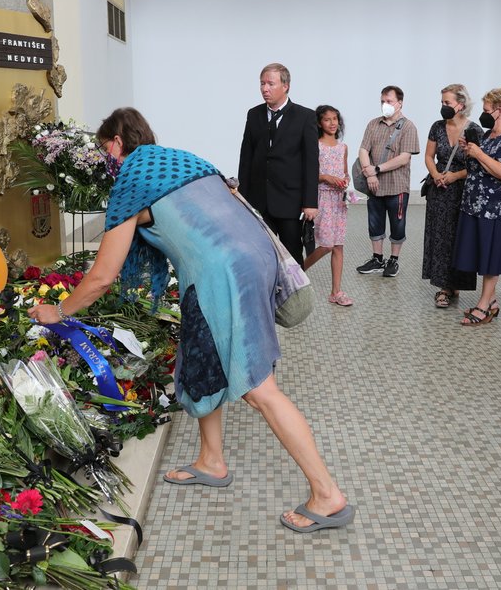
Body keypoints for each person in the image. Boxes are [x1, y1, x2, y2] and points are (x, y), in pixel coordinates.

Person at [29, 108, 353, 533]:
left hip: (225, 273)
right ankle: (211, 460)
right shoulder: (184, 160)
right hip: (253, 258)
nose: (106, 160)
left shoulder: (133, 178)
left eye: (104, 150)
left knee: (260, 391)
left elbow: (103, 276)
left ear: (116, 144)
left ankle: (327, 494)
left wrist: (60, 310)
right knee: (197, 359)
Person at [453, 88, 501, 325]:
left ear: (500, 110)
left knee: (491, 257)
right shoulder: (486, 135)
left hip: (496, 208)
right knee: (480, 253)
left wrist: (479, 154)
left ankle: (483, 304)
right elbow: (478, 167)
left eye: (486, 111)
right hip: (474, 203)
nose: (483, 115)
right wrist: (469, 151)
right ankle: (491, 302)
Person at [238, 63, 319, 265]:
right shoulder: (254, 114)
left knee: (291, 253)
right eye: (262, 83)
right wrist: (242, 198)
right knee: (260, 253)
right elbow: (246, 158)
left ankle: (295, 295)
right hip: (258, 200)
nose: (265, 89)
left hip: (289, 201)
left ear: (286, 86)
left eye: (270, 84)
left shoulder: (305, 116)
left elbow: (311, 162)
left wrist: (310, 202)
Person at [421, 84, 479, 308]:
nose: (443, 107)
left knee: (459, 237)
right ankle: (443, 287)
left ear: (460, 105)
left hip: (463, 191)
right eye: (442, 102)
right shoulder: (437, 127)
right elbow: (428, 156)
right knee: (440, 237)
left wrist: (455, 176)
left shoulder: (474, 130)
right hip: (439, 189)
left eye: (447, 103)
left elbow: (477, 163)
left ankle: (456, 284)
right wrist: (435, 174)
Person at [355, 86, 420, 277]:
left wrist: (377, 169)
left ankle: (393, 260)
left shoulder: (408, 127)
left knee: (397, 223)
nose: (385, 105)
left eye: (389, 101)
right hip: (374, 185)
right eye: (383, 101)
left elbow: (404, 158)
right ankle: (377, 258)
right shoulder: (373, 124)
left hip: (397, 186)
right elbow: (363, 150)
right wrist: (370, 175)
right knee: (374, 222)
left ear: (400, 103)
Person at [304, 105, 352, 306]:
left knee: (338, 246)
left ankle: (336, 292)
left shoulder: (343, 147)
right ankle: (298, 270)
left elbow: (344, 171)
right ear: (319, 123)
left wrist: (345, 181)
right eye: (327, 119)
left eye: (335, 119)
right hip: (321, 198)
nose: (333, 123)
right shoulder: (315, 146)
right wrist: (326, 177)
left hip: (339, 200)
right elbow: (308, 174)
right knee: (326, 244)